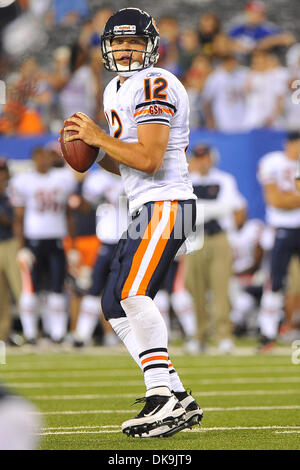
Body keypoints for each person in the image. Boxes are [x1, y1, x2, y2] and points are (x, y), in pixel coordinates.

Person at [61, 7, 203, 438]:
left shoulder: (155, 83)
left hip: (171, 202)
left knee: (132, 291)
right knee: (111, 304)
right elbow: (128, 166)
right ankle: (178, 396)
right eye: (119, 42)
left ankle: (160, 396)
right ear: (106, 47)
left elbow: (150, 158)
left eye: (134, 42)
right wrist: (94, 151)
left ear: (150, 47)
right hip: (146, 204)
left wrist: (99, 138)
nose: (126, 49)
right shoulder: (113, 90)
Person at [10, 146, 77, 344]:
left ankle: (57, 333)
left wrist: (72, 245)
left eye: (47, 157)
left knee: (58, 288)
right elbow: (19, 217)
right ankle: (30, 334)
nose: (44, 161)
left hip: (56, 240)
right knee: (31, 289)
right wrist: (21, 247)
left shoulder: (61, 179)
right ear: (33, 160)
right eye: (40, 157)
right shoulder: (24, 181)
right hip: (34, 241)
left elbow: (67, 214)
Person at [186, 144, 247, 353]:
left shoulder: (224, 179)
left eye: (206, 157)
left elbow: (229, 206)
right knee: (196, 289)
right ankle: (200, 335)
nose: (203, 161)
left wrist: (200, 209)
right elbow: (186, 211)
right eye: (199, 157)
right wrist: (211, 209)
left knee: (221, 288)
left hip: (219, 237)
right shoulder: (186, 180)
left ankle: (224, 336)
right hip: (194, 239)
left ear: (212, 158)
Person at [257, 131, 300, 349]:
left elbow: (285, 199)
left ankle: (287, 328)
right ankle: (267, 332)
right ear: (288, 144)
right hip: (282, 228)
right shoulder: (273, 162)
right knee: (275, 282)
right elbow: (275, 200)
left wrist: (290, 199)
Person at [0, 158, 22, 342]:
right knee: (1, 295)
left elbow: (12, 219)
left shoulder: (11, 192)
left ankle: (31, 331)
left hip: (10, 244)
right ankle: (3, 335)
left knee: (21, 289)